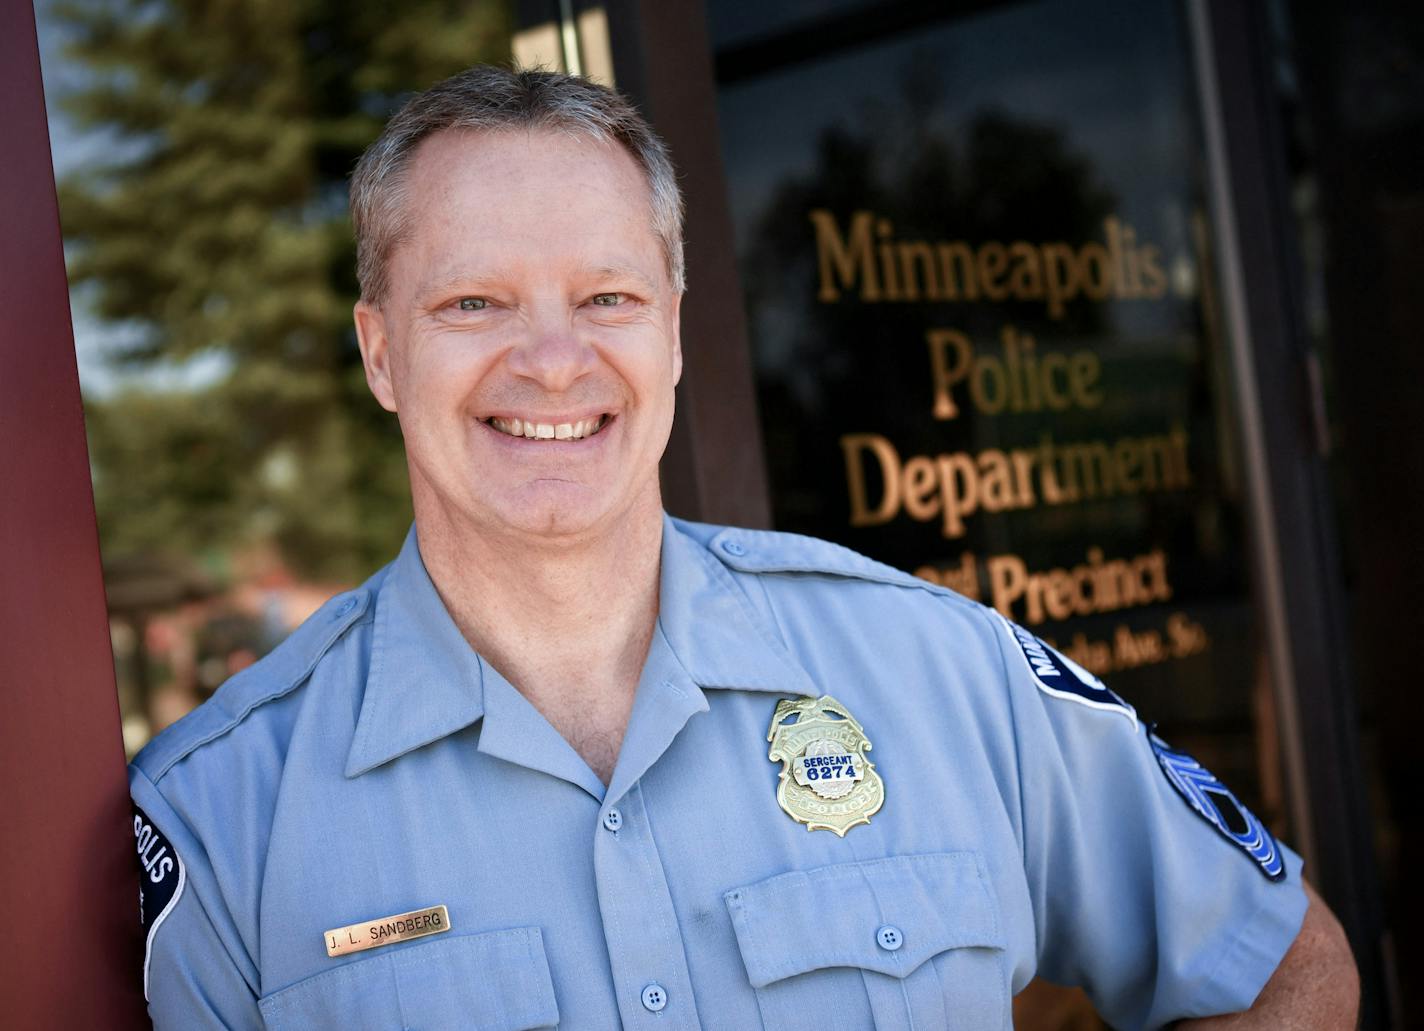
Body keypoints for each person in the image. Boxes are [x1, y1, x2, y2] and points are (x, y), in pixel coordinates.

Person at [128, 66, 1358, 1029]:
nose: (553, 360)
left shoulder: (940, 670)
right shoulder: (227, 817)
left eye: (606, 297)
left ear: (670, 331)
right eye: (472, 302)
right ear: (380, 351)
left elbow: (1280, 962)